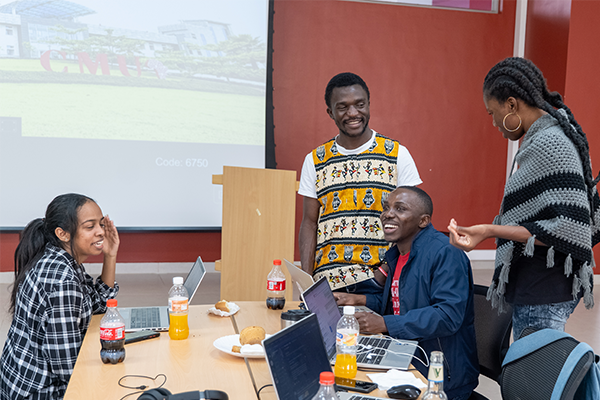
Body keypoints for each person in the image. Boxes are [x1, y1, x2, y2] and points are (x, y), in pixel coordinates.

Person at [447, 57, 600, 340]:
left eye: (492, 113)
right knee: (536, 373)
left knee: (535, 379)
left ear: (512, 105)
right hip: (542, 282)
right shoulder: (549, 134)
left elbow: (566, 228)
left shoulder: (550, 142)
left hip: (543, 287)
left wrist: (489, 230)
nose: (494, 122)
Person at [334, 186, 479, 400]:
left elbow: (447, 316)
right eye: (386, 207)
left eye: (400, 209)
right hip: (407, 355)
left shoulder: (446, 252)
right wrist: (356, 299)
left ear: (423, 221)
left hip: (440, 376)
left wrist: (385, 324)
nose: (388, 214)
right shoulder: (399, 253)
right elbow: (401, 302)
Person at [298, 72, 422, 294]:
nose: (353, 113)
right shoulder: (315, 160)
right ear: (330, 112)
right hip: (329, 282)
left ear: (369, 105)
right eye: (343, 107)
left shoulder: (396, 155)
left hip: (380, 279)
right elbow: (309, 222)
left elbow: (415, 221)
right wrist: (308, 282)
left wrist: (385, 272)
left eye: (359, 104)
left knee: (380, 330)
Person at [0, 193, 120, 400]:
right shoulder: (62, 280)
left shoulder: (60, 258)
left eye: (101, 224)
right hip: (41, 392)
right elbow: (68, 367)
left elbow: (98, 305)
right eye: (90, 227)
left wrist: (110, 255)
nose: (101, 232)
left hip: (23, 384)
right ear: (63, 234)